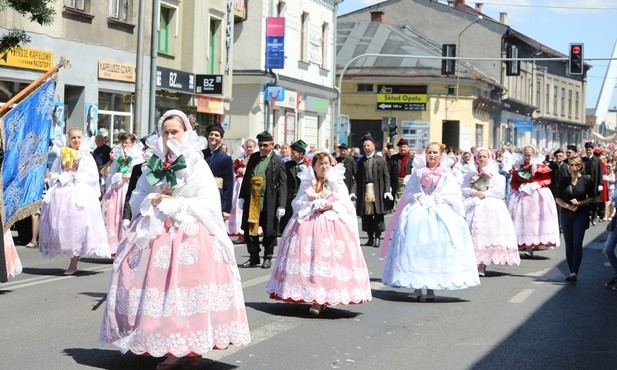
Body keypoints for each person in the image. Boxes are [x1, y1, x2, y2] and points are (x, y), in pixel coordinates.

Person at [100, 110, 251, 369]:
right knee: (149, 287)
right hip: (155, 229)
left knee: (182, 290)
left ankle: (184, 346)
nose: (170, 137)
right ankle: (164, 341)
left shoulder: (195, 162)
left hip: (188, 233)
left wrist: (176, 203)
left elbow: (207, 202)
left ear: (186, 134)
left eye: (175, 132)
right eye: (166, 132)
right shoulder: (153, 163)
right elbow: (138, 195)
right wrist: (153, 200)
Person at [267, 152, 372, 315]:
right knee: (310, 261)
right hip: (308, 223)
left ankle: (323, 298)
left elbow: (346, 204)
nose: (323, 166)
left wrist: (331, 205)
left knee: (328, 262)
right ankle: (315, 298)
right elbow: (297, 202)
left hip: (332, 225)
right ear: (314, 167)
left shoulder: (336, 181)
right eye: (320, 164)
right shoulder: (307, 182)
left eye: (326, 163)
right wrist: (313, 204)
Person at [381, 142, 480, 301]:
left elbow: (454, 194)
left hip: (439, 212)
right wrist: (416, 196)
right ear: (425, 154)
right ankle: (417, 286)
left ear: (440, 155)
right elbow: (408, 193)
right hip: (418, 213)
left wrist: (440, 198)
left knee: (435, 251)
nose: (432, 155)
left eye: (435, 153)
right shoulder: (418, 173)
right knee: (415, 248)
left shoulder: (447, 174)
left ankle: (432, 287)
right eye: (430, 153)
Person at [39, 127, 110, 274]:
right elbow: (53, 175)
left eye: (79, 137)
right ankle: (68, 252)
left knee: (79, 227)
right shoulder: (61, 154)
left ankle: (74, 262)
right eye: (73, 138)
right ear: (68, 138)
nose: (76, 140)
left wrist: (75, 173)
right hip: (62, 194)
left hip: (80, 194)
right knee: (62, 228)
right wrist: (61, 175)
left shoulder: (86, 156)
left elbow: (92, 177)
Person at [462, 148, 520, 276]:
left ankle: (482, 264)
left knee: (485, 234)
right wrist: (474, 192)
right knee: (472, 233)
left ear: (489, 158)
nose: (482, 159)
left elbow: (499, 192)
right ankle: (471, 263)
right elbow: (464, 189)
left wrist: (484, 193)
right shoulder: (470, 173)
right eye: (480, 157)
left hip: (489, 206)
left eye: (484, 156)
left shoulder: (496, 175)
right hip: (473, 204)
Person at [238, 131, 287, 269]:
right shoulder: (253, 158)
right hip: (253, 200)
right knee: (250, 229)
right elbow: (247, 177)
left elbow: (283, 184)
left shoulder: (277, 162)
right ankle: (254, 257)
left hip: (268, 202)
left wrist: (281, 205)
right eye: (260, 145)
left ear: (271, 145)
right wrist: (242, 196)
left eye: (265, 145)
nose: (263, 148)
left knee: (269, 231)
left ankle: (267, 256)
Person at [507, 145, 560, 258]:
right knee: (521, 220)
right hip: (521, 195)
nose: (527, 157)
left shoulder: (539, 165)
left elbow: (547, 179)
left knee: (535, 221)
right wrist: (520, 186)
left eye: (529, 155)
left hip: (536, 195)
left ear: (533, 155)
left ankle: (531, 246)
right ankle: (522, 245)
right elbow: (513, 182)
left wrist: (536, 185)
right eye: (525, 155)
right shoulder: (518, 166)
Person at [100, 132, 144, 255]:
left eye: (127, 142)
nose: (125, 145)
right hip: (117, 189)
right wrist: (117, 177)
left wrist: (129, 176)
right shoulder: (118, 157)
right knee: (113, 216)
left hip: (128, 189)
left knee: (125, 216)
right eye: (123, 142)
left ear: (133, 143)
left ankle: (126, 244)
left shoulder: (137, 157)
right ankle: (114, 245)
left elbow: (139, 174)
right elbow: (110, 174)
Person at [555, 157, 595, 283]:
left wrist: (579, 203)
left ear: (579, 166)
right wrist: (568, 206)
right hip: (566, 214)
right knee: (569, 244)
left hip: (580, 214)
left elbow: (592, 198)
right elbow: (557, 198)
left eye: (572, 164)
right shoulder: (564, 180)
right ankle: (571, 270)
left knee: (577, 244)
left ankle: (574, 272)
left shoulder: (586, 180)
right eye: (569, 164)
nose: (569, 166)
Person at [355, 133, 392, 247]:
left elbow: (386, 176)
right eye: (364, 146)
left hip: (378, 190)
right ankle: (370, 237)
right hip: (365, 190)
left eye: (368, 145)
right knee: (366, 215)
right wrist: (354, 192)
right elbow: (357, 178)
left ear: (373, 146)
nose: (366, 148)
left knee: (378, 214)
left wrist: (387, 190)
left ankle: (377, 237)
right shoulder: (360, 161)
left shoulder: (380, 160)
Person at [202, 124, 234, 221]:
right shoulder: (200, 154)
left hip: (217, 196)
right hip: (201, 194)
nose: (213, 137)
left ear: (221, 139)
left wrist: (226, 209)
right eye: (211, 134)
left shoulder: (226, 158)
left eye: (217, 135)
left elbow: (228, 185)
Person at [227, 138, 256, 243]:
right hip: (238, 184)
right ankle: (240, 233)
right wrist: (237, 169)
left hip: (248, 184)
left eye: (251, 147)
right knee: (237, 207)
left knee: (246, 208)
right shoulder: (242, 157)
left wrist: (243, 170)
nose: (249, 149)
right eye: (247, 147)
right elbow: (235, 166)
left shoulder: (256, 158)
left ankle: (248, 233)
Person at [280, 139, 307, 231]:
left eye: (294, 153)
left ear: (301, 154)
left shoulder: (307, 166)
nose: (291, 155)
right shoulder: (287, 165)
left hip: (303, 198)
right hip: (290, 197)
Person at [387, 138, 413, 210]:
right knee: (397, 199)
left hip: (409, 182)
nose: (402, 148)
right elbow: (388, 171)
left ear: (408, 147)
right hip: (396, 181)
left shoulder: (412, 158)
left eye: (404, 147)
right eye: (401, 147)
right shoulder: (393, 158)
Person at [583, 142, 602, 225]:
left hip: (594, 183)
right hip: (585, 183)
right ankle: (586, 218)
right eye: (587, 150)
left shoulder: (597, 160)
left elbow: (600, 173)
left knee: (594, 202)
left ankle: (593, 217)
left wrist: (600, 183)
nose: (588, 151)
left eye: (589, 150)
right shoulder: (583, 160)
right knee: (586, 202)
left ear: (592, 150)